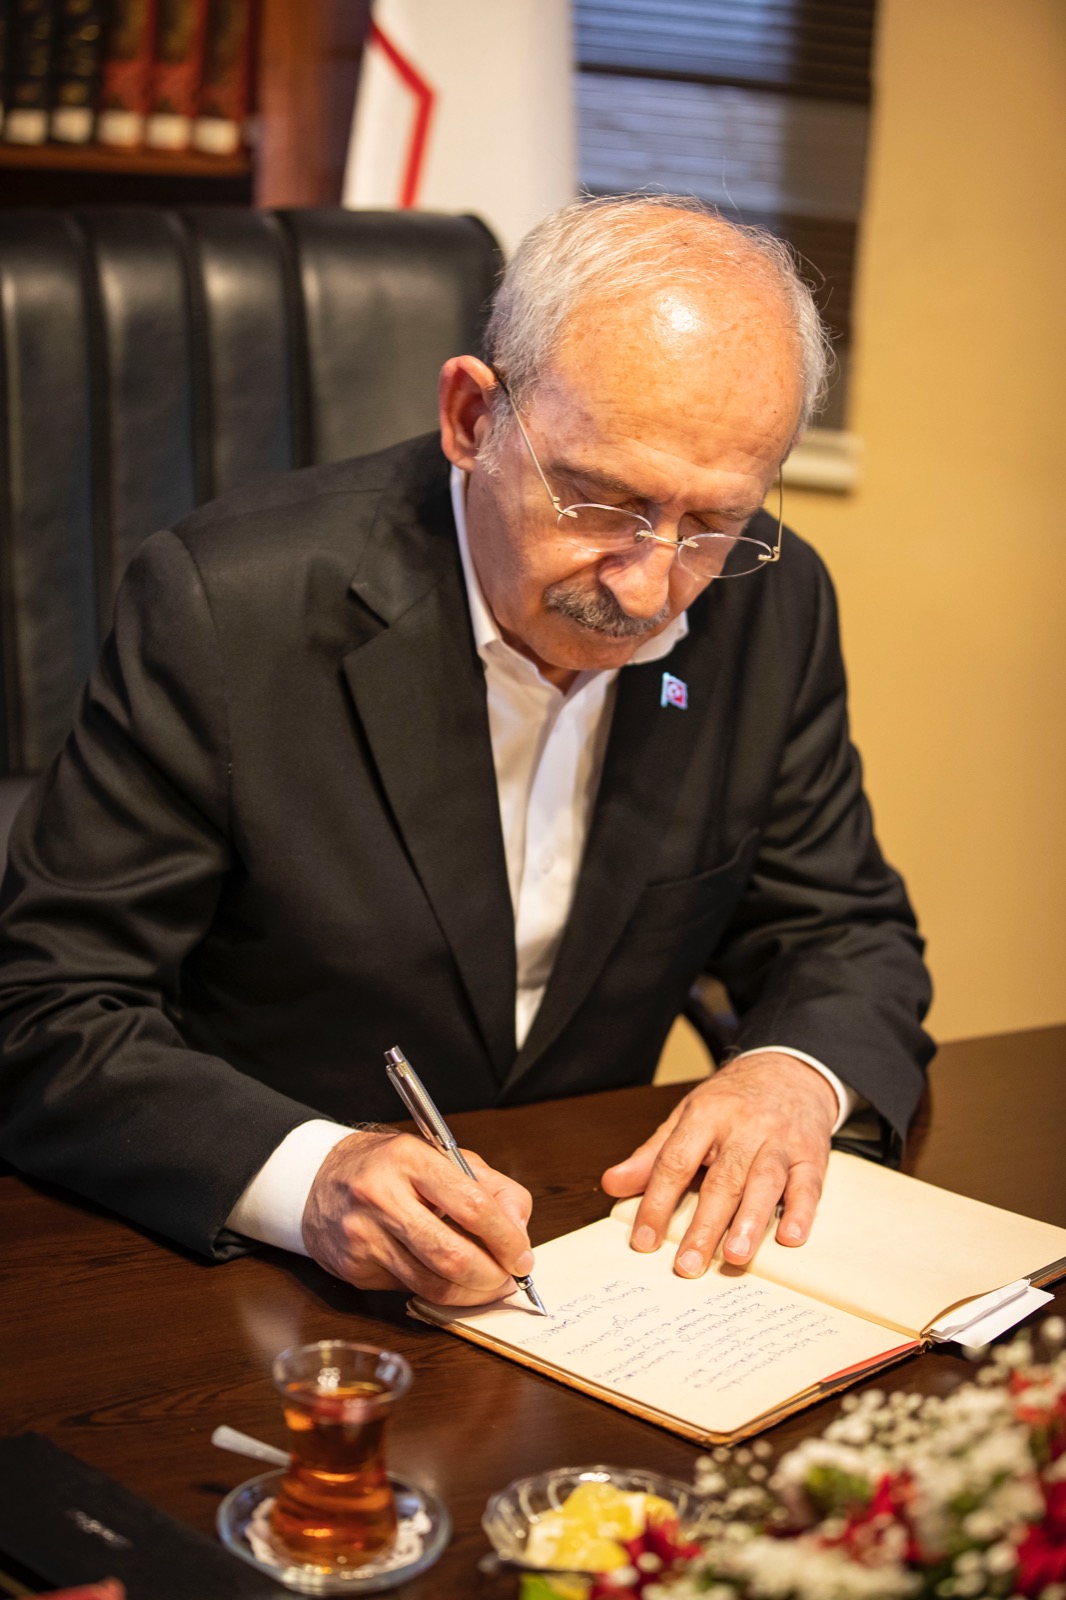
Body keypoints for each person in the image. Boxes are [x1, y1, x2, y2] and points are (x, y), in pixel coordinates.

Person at [0, 196, 932, 1308]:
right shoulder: (224, 605)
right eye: (602, 501)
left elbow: (842, 928)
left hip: (601, 1258)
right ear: (472, 417)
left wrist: (792, 1077)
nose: (648, 589)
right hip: (263, 1287)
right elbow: (44, 1008)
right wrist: (310, 1174)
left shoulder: (772, 603)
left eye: (712, 522)